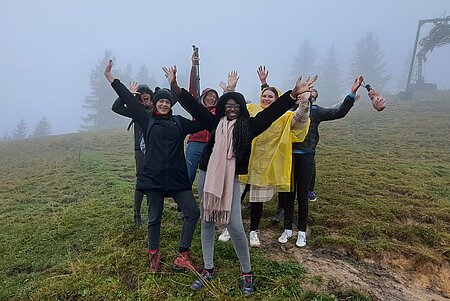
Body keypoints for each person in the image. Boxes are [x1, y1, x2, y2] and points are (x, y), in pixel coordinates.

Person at [163, 65, 316, 296]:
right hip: (207, 175)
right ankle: (208, 268)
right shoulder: (215, 122)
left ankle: (247, 272)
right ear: (223, 109)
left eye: (236, 106)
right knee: (206, 220)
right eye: (228, 106)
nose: (232, 109)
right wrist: (175, 86)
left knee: (234, 225)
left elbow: (272, 112)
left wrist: (292, 95)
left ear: (241, 109)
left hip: (232, 178)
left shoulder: (250, 126)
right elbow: (193, 105)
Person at [105, 60, 202, 273]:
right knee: (154, 218)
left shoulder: (179, 121)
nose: (164, 104)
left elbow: (202, 121)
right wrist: (111, 78)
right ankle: (154, 260)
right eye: (161, 101)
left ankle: (183, 255)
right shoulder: (146, 118)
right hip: (153, 177)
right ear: (156, 103)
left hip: (177, 177)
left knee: (193, 212)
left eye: (167, 101)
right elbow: (127, 102)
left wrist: (176, 85)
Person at [277, 76, 364, 247]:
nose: (305, 97)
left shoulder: (315, 111)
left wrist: (352, 93)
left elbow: (338, 112)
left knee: (302, 194)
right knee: (288, 194)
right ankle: (287, 230)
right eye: (302, 94)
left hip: (306, 155)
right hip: (288, 155)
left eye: (308, 94)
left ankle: (301, 232)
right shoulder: (287, 110)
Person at [242, 66, 312, 247]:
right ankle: (229, 226)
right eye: (264, 95)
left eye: (270, 97)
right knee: (237, 195)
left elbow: (299, 121)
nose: (266, 98)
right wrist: (230, 91)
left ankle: (254, 231)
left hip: (266, 164)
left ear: (277, 99)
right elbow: (234, 113)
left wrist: (304, 104)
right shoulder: (251, 108)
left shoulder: (284, 116)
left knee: (257, 200)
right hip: (244, 161)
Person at [112, 82, 154, 226]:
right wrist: (128, 95)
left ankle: (152, 211)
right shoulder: (135, 111)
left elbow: (172, 98)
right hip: (140, 148)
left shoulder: (158, 108)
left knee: (154, 178)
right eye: (140, 94)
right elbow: (115, 107)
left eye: (146, 93)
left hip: (156, 148)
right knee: (141, 179)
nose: (144, 95)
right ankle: (136, 212)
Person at [185, 51, 219, 184]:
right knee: (189, 174)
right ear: (203, 98)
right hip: (195, 142)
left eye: (214, 97)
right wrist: (193, 67)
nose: (211, 98)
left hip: (211, 145)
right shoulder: (196, 108)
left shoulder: (218, 112)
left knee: (209, 177)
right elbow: (193, 88)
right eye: (209, 96)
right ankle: (183, 202)